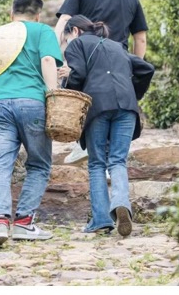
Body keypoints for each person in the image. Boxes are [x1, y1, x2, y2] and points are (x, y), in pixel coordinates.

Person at [0, 0, 62, 248]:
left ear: (10, 13)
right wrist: (53, 96)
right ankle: (24, 223)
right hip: (31, 103)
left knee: (0, 167)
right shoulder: (41, 31)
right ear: (38, 15)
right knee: (38, 164)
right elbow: (48, 60)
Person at [54, 0, 148, 164]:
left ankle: (85, 145)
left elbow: (63, 22)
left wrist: (53, 54)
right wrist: (134, 66)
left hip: (86, 57)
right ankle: (110, 158)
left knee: (85, 100)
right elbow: (140, 38)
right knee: (114, 104)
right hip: (119, 60)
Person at [62, 15, 154, 237]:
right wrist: (132, 93)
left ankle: (101, 219)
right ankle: (121, 203)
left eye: (66, 39)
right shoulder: (117, 46)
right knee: (118, 160)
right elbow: (146, 69)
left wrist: (67, 85)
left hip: (98, 106)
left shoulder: (77, 44)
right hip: (126, 106)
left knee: (96, 163)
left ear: (74, 31)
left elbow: (79, 75)